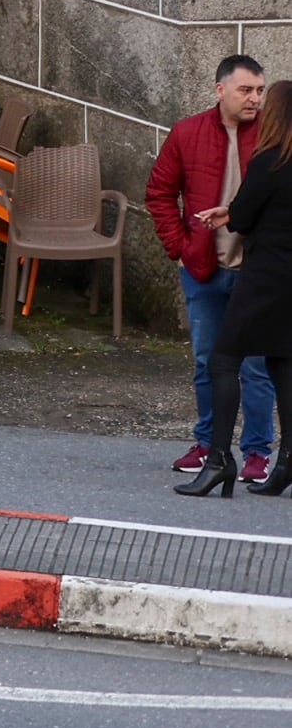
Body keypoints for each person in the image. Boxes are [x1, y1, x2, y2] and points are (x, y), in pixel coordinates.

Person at [149, 55, 277, 482]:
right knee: (207, 361)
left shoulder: (274, 137)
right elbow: (160, 193)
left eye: (260, 90)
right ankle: (208, 445)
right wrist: (181, 248)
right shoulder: (188, 133)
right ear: (220, 89)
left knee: (256, 366)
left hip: (257, 273)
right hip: (203, 267)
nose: (255, 99)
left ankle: (257, 452)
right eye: (245, 90)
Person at [176, 80, 292, 499]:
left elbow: (244, 216)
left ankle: (220, 460)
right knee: (283, 364)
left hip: (263, 279)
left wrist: (232, 212)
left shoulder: (269, 161)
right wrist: (236, 212)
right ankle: (287, 461)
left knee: (224, 361)